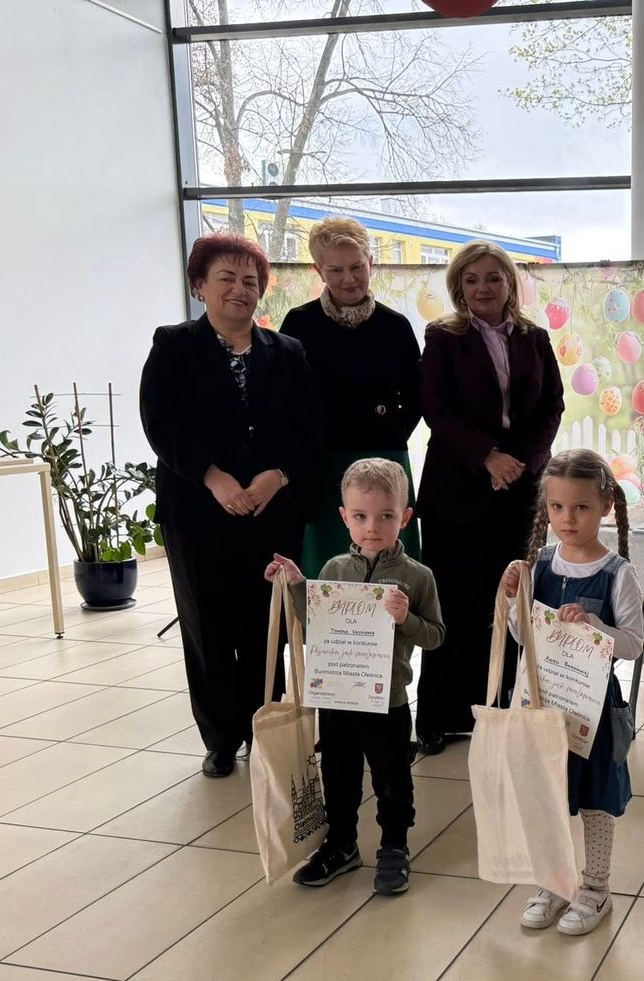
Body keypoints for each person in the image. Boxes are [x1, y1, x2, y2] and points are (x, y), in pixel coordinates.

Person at [140, 233, 321, 780]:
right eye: (227, 278)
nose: (240, 289)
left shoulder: (287, 352)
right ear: (200, 285)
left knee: (268, 622)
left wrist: (276, 476)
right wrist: (212, 477)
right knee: (208, 625)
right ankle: (221, 737)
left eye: (250, 281)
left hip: (272, 509)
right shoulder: (173, 345)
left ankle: (266, 724)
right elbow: (160, 423)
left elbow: (310, 428)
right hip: (198, 510)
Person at [264, 458, 445, 895]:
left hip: (388, 701)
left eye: (385, 516)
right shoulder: (333, 570)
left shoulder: (418, 577)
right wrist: (296, 585)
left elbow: (436, 636)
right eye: (361, 516)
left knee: (392, 779)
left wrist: (406, 619)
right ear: (344, 517)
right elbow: (315, 624)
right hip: (338, 696)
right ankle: (341, 843)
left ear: (405, 517)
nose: (372, 528)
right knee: (338, 775)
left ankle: (394, 846)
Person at [415, 241, 564, 756]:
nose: (483, 287)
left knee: (514, 602)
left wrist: (521, 461)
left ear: (509, 284)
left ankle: (508, 709)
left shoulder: (535, 338)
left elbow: (552, 406)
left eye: (493, 278)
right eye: (472, 279)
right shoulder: (443, 337)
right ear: (459, 286)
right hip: (456, 493)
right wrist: (488, 458)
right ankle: (441, 717)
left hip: (520, 491)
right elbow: (436, 408)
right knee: (455, 604)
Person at [498, 449, 643, 936]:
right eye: (557, 507)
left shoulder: (618, 573)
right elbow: (522, 635)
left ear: (605, 507)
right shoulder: (537, 564)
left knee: (596, 799)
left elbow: (634, 644)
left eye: (581, 507)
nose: (568, 518)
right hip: (545, 706)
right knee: (549, 796)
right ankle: (554, 882)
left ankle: (595, 888)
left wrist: (596, 628)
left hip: (594, 710)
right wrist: (512, 599)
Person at [279, 217, 424, 575]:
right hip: (322, 464)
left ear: (370, 262)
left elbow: (418, 395)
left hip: (386, 457)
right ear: (318, 269)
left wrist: (389, 433)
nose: (349, 278)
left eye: (357, 267)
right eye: (336, 270)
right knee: (328, 568)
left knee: (393, 567)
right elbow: (287, 398)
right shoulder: (298, 323)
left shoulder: (395, 325)